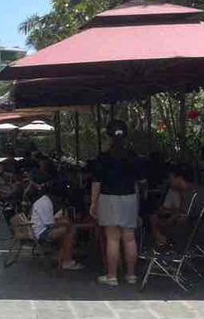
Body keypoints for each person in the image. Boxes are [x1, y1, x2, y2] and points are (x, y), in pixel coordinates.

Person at [91, 120, 146, 287]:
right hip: (129, 198)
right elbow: (140, 182)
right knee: (129, 238)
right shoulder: (133, 156)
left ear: (108, 136)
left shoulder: (103, 157)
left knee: (112, 239)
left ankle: (112, 276)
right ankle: (131, 275)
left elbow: (96, 183)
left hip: (108, 198)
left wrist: (93, 203)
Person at [30, 181, 83, 270]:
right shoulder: (45, 203)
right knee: (68, 230)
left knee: (67, 225)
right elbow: (49, 224)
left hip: (42, 229)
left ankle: (65, 255)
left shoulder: (45, 201)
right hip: (41, 232)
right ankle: (66, 260)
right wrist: (64, 223)